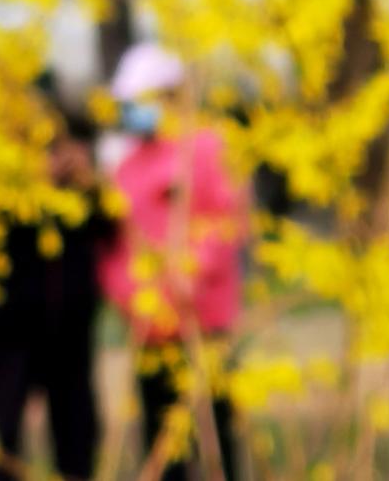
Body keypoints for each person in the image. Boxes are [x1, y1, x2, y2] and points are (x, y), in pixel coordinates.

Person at [100, 44, 247, 481]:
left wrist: (191, 272)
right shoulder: (125, 168)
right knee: (161, 443)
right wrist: (131, 298)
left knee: (216, 435)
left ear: (171, 96)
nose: (136, 112)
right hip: (151, 328)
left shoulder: (206, 150)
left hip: (204, 319)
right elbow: (114, 250)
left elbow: (227, 222)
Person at [0, 89, 106, 481]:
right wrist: (31, 184)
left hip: (68, 334)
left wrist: (87, 182)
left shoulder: (82, 187)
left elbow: (109, 225)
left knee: (77, 436)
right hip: (5, 334)